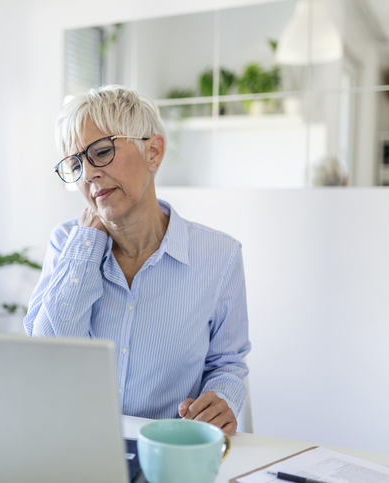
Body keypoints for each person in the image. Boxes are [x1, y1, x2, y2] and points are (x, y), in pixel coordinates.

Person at [24, 85, 250, 436]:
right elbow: (49, 358)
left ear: (154, 152)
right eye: (75, 164)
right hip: (79, 447)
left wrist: (222, 399)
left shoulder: (219, 256)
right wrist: (85, 246)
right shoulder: (66, 244)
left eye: (100, 152)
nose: (88, 175)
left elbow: (228, 363)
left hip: (172, 453)